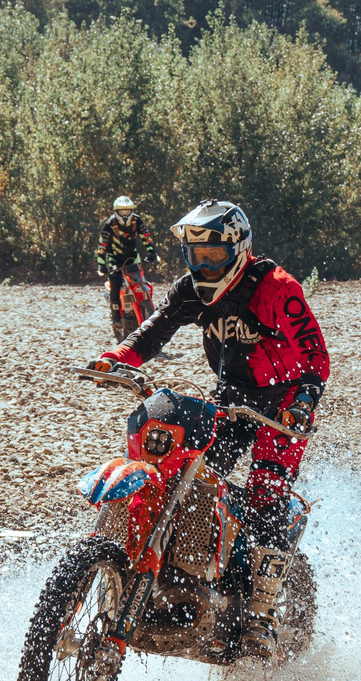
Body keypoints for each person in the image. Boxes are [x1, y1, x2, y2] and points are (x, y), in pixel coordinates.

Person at [90, 200, 329, 655]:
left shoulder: (277, 288)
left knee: (266, 495)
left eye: (213, 257)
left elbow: (316, 355)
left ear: (238, 250)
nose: (203, 266)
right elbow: (155, 329)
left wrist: (302, 402)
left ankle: (260, 615)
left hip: (283, 408)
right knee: (191, 475)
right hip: (232, 397)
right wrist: (117, 359)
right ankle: (178, 572)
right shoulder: (191, 289)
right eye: (196, 257)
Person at [94, 196, 155, 336]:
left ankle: (148, 309)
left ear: (132, 210)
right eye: (122, 212)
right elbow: (101, 246)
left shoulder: (137, 220)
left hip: (132, 257)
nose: (125, 214)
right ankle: (116, 319)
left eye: (127, 211)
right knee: (115, 286)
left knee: (141, 281)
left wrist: (152, 252)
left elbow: (146, 237)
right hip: (114, 260)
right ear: (116, 212)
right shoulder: (109, 224)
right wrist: (102, 265)